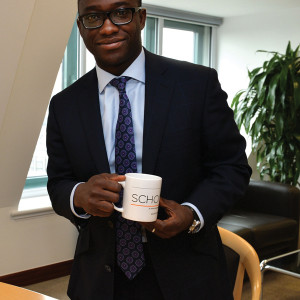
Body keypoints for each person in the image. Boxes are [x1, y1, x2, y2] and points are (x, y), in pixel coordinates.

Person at [46, 0, 252, 299]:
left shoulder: (196, 84)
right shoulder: (65, 104)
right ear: (81, 27)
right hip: (100, 278)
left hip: (189, 272)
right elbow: (58, 182)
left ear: (140, 18)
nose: (107, 27)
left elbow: (231, 167)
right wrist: (78, 194)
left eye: (120, 13)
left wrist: (192, 213)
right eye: (93, 17)